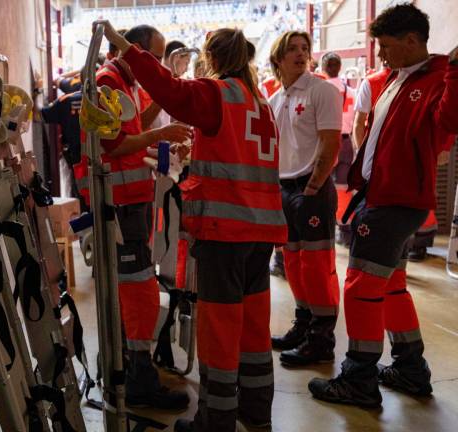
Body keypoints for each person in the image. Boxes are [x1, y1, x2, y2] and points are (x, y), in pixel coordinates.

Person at [97, 20, 286, 431]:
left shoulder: (218, 93)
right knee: (254, 330)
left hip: (225, 232)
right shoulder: (259, 101)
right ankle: (256, 414)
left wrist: (126, 48)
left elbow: (170, 90)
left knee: (219, 329)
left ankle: (214, 420)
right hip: (262, 231)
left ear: (212, 58)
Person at [309, 3, 458, 407]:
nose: (381, 54)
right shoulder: (398, 76)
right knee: (390, 286)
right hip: (385, 195)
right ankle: (411, 368)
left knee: (360, 286)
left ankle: (358, 378)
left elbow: (448, 123)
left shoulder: (439, 79)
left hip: (396, 200)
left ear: (412, 41)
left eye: (387, 46)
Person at [74, 24, 193, 410]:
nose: (155, 64)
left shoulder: (123, 82)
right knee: (137, 288)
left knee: (136, 285)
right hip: (119, 203)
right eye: (154, 56)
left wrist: (162, 101)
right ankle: (137, 377)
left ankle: (130, 366)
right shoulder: (108, 82)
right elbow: (119, 143)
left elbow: (135, 124)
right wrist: (166, 133)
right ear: (134, 50)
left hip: (129, 201)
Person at [268, 31, 343, 366]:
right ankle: (303, 324)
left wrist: (313, 188)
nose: (300, 54)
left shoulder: (321, 90)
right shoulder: (275, 100)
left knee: (317, 267)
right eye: (292, 49)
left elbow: (331, 143)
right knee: (294, 265)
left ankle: (321, 338)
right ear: (277, 60)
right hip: (284, 188)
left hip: (311, 188)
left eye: (305, 49)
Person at [322, 52, 356, 185]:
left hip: (326, 141)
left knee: (323, 183)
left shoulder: (319, 90)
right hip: (346, 141)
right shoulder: (351, 91)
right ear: (340, 67)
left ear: (324, 68)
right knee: (343, 184)